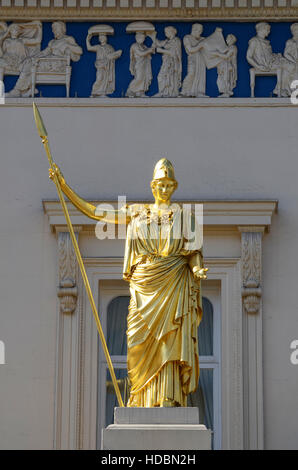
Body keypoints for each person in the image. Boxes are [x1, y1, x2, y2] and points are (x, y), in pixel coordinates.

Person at [49, 158, 207, 407]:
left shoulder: (185, 217)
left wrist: (197, 268)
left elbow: (193, 251)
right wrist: (65, 188)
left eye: (168, 184)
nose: (164, 189)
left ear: (174, 187)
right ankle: (140, 397)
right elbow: (98, 213)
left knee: (170, 340)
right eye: (159, 184)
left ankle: (167, 397)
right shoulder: (138, 212)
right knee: (136, 343)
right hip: (144, 285)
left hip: (173, 281)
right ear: (152, 186)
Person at [6, 21, 82, 97]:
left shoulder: (68, 39)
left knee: (30, 65)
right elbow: (44, 53)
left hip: (58, 64)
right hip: (48, 62)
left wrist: (66, 45)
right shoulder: (52, 42)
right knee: (29, 63)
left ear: (62, 29)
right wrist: (32, 58)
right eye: (53, 29)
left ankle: (18, 90)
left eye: (56, 28)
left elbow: (79, 50)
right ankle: (24, 89)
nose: (54, 31)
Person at [246, 22, 293, 97]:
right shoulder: (255, 41)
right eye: (267, 30)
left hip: (271, 61)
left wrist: (276, 56)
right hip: (266, 64)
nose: (269, 31)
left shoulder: (265, 42)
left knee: (290, 65)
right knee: (290, 66)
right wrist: (258, 66)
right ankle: (283, 90)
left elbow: (268, 55)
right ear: (261, 30)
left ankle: (284, 89)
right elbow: (248, 57)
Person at [86, 28, 122, 98]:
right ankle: (94, 92)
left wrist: (116, 54)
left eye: (103, 37)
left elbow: (113, 56)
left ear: (106, 38)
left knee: (105, 79)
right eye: (100, 37)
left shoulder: (110, 47)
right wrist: (87, 39)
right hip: (100, 65)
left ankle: (102, 93)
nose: (101, 39)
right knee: (99, 78)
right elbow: (89, 48)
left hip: (107, 66)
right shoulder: (98, 47)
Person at [153, 26, 182, 98]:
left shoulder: (176, 40)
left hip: (172, 63)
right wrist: (153, 36)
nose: (165, 34)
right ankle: (163, 92)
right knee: (161, 76)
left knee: (168, 76)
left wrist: (161, 50)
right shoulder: (167, 41)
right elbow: (159, 43)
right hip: (166, 61)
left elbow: (174, 53)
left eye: (166, 32)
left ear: (171, 32)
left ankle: (169, 92)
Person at [181, 23, 207, 98]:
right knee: (191, 73)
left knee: (201, 75)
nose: (200, 32)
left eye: (201, 31)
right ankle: (184, 91)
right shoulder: (187, 38)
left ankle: (199, 92)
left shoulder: (203, 39)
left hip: (201, 59)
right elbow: (190, 49)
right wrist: (201, 45)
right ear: (194, 30)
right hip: (193, 59)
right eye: (199, 31)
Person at [126, 31, 155, 98]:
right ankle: (130, 90)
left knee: (144, 78)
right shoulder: (134, 45)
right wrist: (149, 50)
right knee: (139, 78)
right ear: (136, 38)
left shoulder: (144, 46)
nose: (142, 38)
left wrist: (152, 48)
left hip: (145, 65)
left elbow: (149, 54)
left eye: (143, 37)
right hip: (138, 64)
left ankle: (140, 92)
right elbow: (140, 53)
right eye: (140, 37)